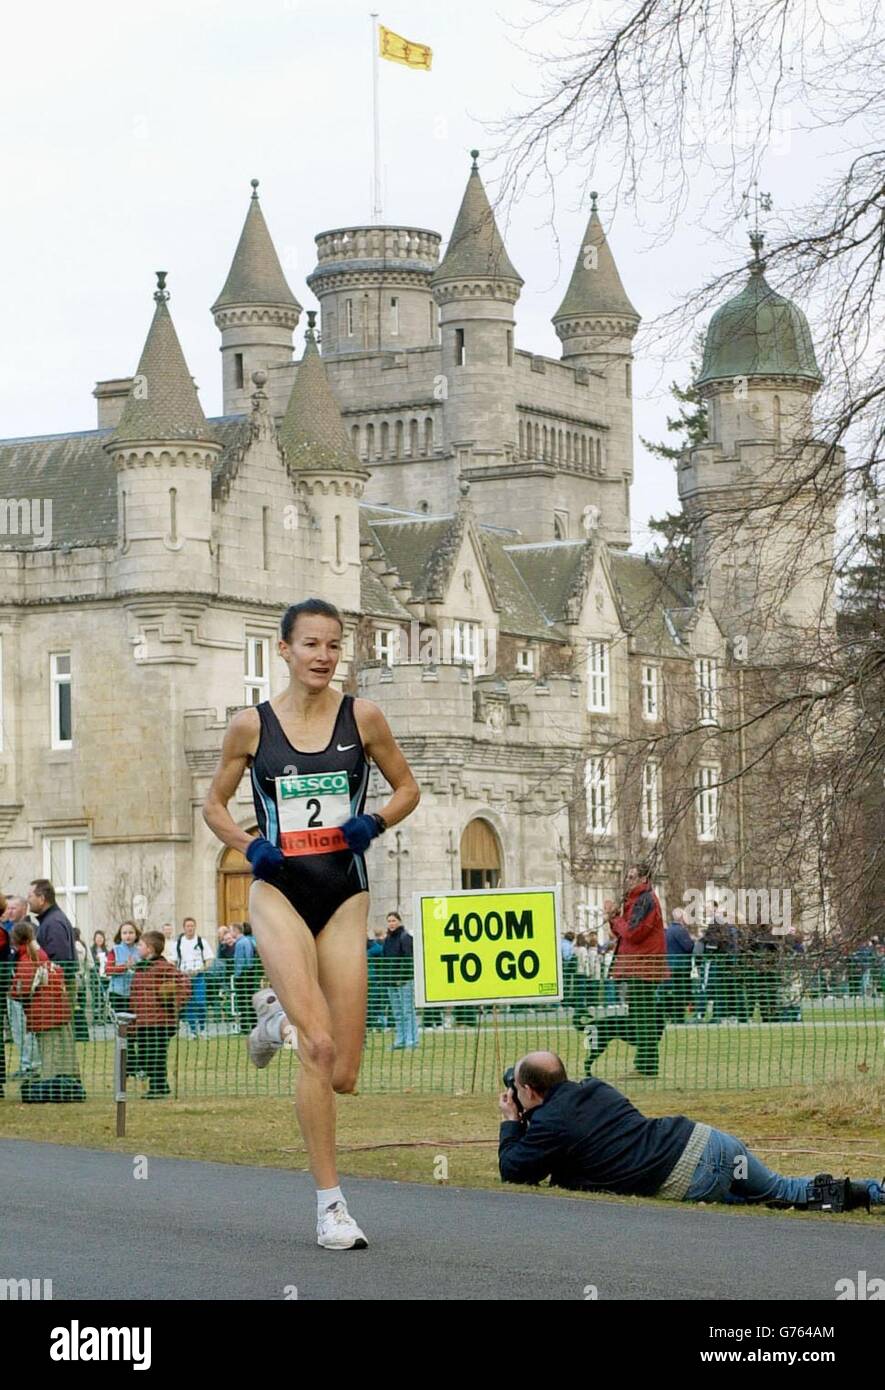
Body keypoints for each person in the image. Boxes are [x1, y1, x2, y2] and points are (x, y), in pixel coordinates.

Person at [202, 597, 420, 1250]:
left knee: (343, 1071)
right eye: (311, 645)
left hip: (344, 894)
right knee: (317, 1046)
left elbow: (407, 787)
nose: (323, 656)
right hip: (278, 891)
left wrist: (371, 822)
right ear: (285, 650)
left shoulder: (364, 717)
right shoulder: (250, 727)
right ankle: (331, 1207)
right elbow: (213, 805)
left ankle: (272, 1018)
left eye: (333, 646)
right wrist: (250, 847)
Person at [498, 1052, 884, 1212]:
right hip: (711, 1142)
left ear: (530, 1092)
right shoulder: (598, 1088)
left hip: (689, 1178)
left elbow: (514, 1170)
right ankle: (875, 1191)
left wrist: (511, 1123)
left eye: (518, 1088)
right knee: (783, 1191)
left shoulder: (549, 1125)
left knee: (758, 1201)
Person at [584, 863, 669, 1078]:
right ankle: (645, 1064)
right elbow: (623, 933)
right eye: (627, 877)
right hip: (638, 965)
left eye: (632, 877)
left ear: (643, 878)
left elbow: (633, 932)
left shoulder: (645, 900)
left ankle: (646, 1066)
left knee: (644, 1017)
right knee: (641, 1016)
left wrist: (614, 917)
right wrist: (614, 918)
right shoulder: (638, 900)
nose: (628, 881)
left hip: (643, 966)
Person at [10, 922, 84, 1101]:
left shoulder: (27, 959)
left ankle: (52, 1086)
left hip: (43, 1013)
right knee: (64, 1049)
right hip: (57, 1008)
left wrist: (11, 990)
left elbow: (22, 989)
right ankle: (71, 1082)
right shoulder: (40, 954)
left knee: (49, 1050)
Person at [129, 931, 191, 1098]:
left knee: (156, 1054)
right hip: (142, 1020)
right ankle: (162, 1084)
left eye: (140, 945)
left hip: (160, 1021)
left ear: (149, 949)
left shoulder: (164, 968)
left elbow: (184, 983)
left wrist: (175, 1001)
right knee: (144, 1054)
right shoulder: (140, 969)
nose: (137, 948)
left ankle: (157, 1087)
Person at [2, 896, 39, 1077]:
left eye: (13, 908)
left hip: (20, 994)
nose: (9, 911)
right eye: (7, 908)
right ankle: (26, 1063)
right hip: (12, 990)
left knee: (25, 1029)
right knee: (18, 1030)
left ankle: (30, 1064)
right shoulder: (6, 929)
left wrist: (16, 990)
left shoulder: (29, 932)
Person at [383, 911, 419, 1049]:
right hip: (390, 981)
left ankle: (412, 1040)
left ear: (399, 921)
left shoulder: (405, 937)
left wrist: (401, 976)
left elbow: (408, 959)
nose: (391, 923)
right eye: (389, 921)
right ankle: (400, 1040)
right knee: (397, 1013)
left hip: (404, 981)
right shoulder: (388, 939)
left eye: (393, 920)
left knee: (407, 1011)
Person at [175, 917, 214, 1038]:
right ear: (184, 928)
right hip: (184, 977)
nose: (190, 928)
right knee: (189, 1004)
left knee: (200, 1002)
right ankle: (192, 1031)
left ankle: (202, 1029)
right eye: (188, 926)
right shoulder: (179, 943)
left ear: (195, 927)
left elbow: (209, 959)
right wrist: (179, 972)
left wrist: (200, 969)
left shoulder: (202, 942)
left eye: (192, 926)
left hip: (199, 976)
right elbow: (173, 960)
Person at [664, 907, 695, 1022]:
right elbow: (688, 947)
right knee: (681, 992)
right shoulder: (680, 930)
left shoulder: (668, 930)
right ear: (681, 917)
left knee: (674, 991)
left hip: (670, 965)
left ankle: (673, 1015)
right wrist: (692, 940)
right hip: (681, 966)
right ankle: (678, 1017)